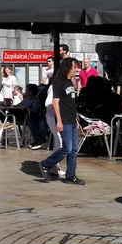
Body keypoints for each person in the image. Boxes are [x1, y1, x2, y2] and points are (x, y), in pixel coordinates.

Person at [39, 57, 85, 185]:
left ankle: (71, 175)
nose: (76, 70)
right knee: (67, 148)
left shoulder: (71, 83)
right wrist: (59, 120)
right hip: (63, 120)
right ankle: (46, 164)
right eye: (74, 67)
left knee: (74, 150)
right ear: (67, 68)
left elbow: (70, 103)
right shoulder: (58, 83)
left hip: (71, 119)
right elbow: (55, 103)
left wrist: (76, 118)